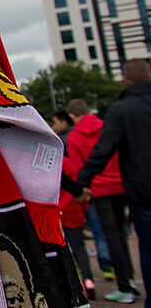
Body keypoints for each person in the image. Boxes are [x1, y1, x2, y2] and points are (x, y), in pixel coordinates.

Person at [75, 59, 151, 308]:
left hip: (137, 190)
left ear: (125, 81)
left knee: (133, 242)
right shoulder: (112, 116)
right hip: (124, 186)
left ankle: (128, 286)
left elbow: (101, 153)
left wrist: (80, 184)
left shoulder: (121, 111)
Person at [65, 97, 137, 303]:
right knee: (122, 234)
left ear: (72, 116)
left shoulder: (75, 137)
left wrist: (82, 190)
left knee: (111, 236)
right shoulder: (107, 126)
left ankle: (124, 286)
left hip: (98, 189)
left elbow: (79, 168)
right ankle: (129, 278)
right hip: (120, 185)